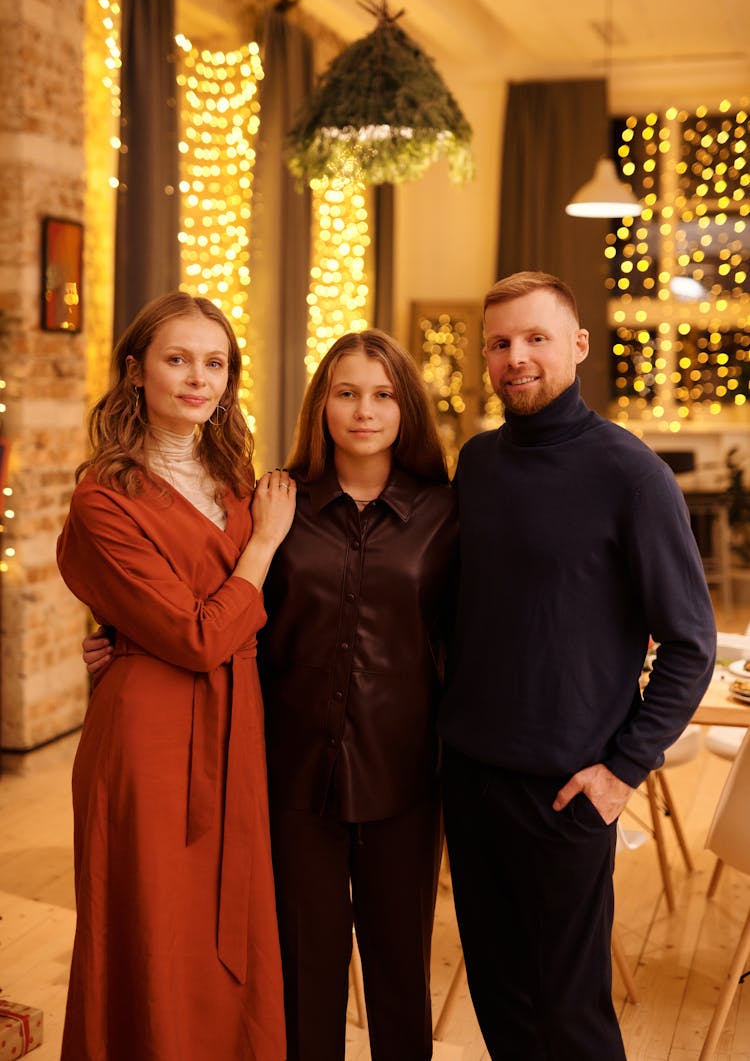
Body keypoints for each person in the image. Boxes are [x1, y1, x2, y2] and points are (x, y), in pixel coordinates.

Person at [83, 327, 458, 1061]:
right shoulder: (269, 502)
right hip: (289, 775)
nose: (363, 411)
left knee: (399, 977)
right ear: (321, 404)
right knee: (300, 978)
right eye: (346, 393)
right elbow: (209, 594)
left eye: (382, 395)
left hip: (404, 776)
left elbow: (474, 636)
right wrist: (117, 643)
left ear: (407, 407)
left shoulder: (449, 514)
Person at [438, 271, 717, 1060]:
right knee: (499, 1001)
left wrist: (621, 771)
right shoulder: (480, 464)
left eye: (536, 339)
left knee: (570, 1016)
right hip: (468, 773)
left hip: (566, 789)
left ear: (578, 346)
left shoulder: (631, 475)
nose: (516, 357)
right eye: (499, 343)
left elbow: (691, 642)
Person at [57, 291, 295, 1061]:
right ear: (136, 371)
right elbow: (196, 636)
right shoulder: (103, 493)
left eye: (215, 362)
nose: (199, 377)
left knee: (234, 925)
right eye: (177, 358)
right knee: (153, 930)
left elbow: (213, 613)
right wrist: (263, 548)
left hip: (237, 726)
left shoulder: (233, 477)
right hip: (150, 740)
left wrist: (124, 631)